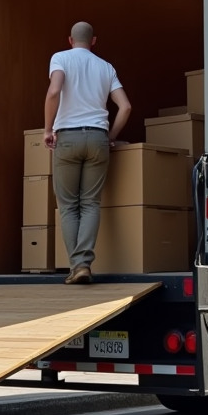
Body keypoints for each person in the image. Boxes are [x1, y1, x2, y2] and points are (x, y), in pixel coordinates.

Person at [45, 22, 131, 285]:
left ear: (70, 39)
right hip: (98, 138)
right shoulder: (106, 67)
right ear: (93, 41)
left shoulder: (60, 58)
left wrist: (48, 129)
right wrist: (111, 136)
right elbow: (125, 107)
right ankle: (82, 264)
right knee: (91, 202)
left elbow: (54, 90)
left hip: (68, 138)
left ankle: (79, 266)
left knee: (69, 206)